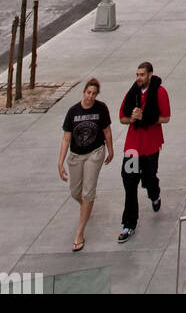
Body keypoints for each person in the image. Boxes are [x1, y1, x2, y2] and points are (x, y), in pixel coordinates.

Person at [117, 62, 170, 243]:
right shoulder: (132, 93)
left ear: (150, 75)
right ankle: (129, 224)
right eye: (137, 74)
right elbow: (122, 118)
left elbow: (166, 117)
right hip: (132, 148)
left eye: (142, 74)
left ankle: (154, 194)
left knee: (149, 178)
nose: (139, 78)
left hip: (151, 146)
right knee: (129, 183)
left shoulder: (160, 92)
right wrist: (132, 118)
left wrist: (146, 117)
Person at [59, 78, 114, 252]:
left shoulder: (101, 108)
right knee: (76, 191)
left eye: (94, 94)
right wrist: (60, 162)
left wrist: (111, 150)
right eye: (88, 93)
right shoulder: (73, 111)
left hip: (95, 153)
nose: (90, 96)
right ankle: (87, 206)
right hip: (76, 155)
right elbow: (66, 138)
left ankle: (79, 234)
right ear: (83, 92)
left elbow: (107, 130)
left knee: (88, 191)